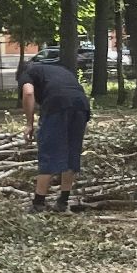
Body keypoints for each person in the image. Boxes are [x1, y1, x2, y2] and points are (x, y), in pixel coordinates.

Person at [17, 58, 92, 213]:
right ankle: (63, 202)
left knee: (49, 152)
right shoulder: (57, 70)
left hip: (57, 105)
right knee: (72, 153)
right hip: (81, 105)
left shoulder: (27, 74)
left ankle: (38, 204)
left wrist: (29, 123)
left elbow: (29, 93)